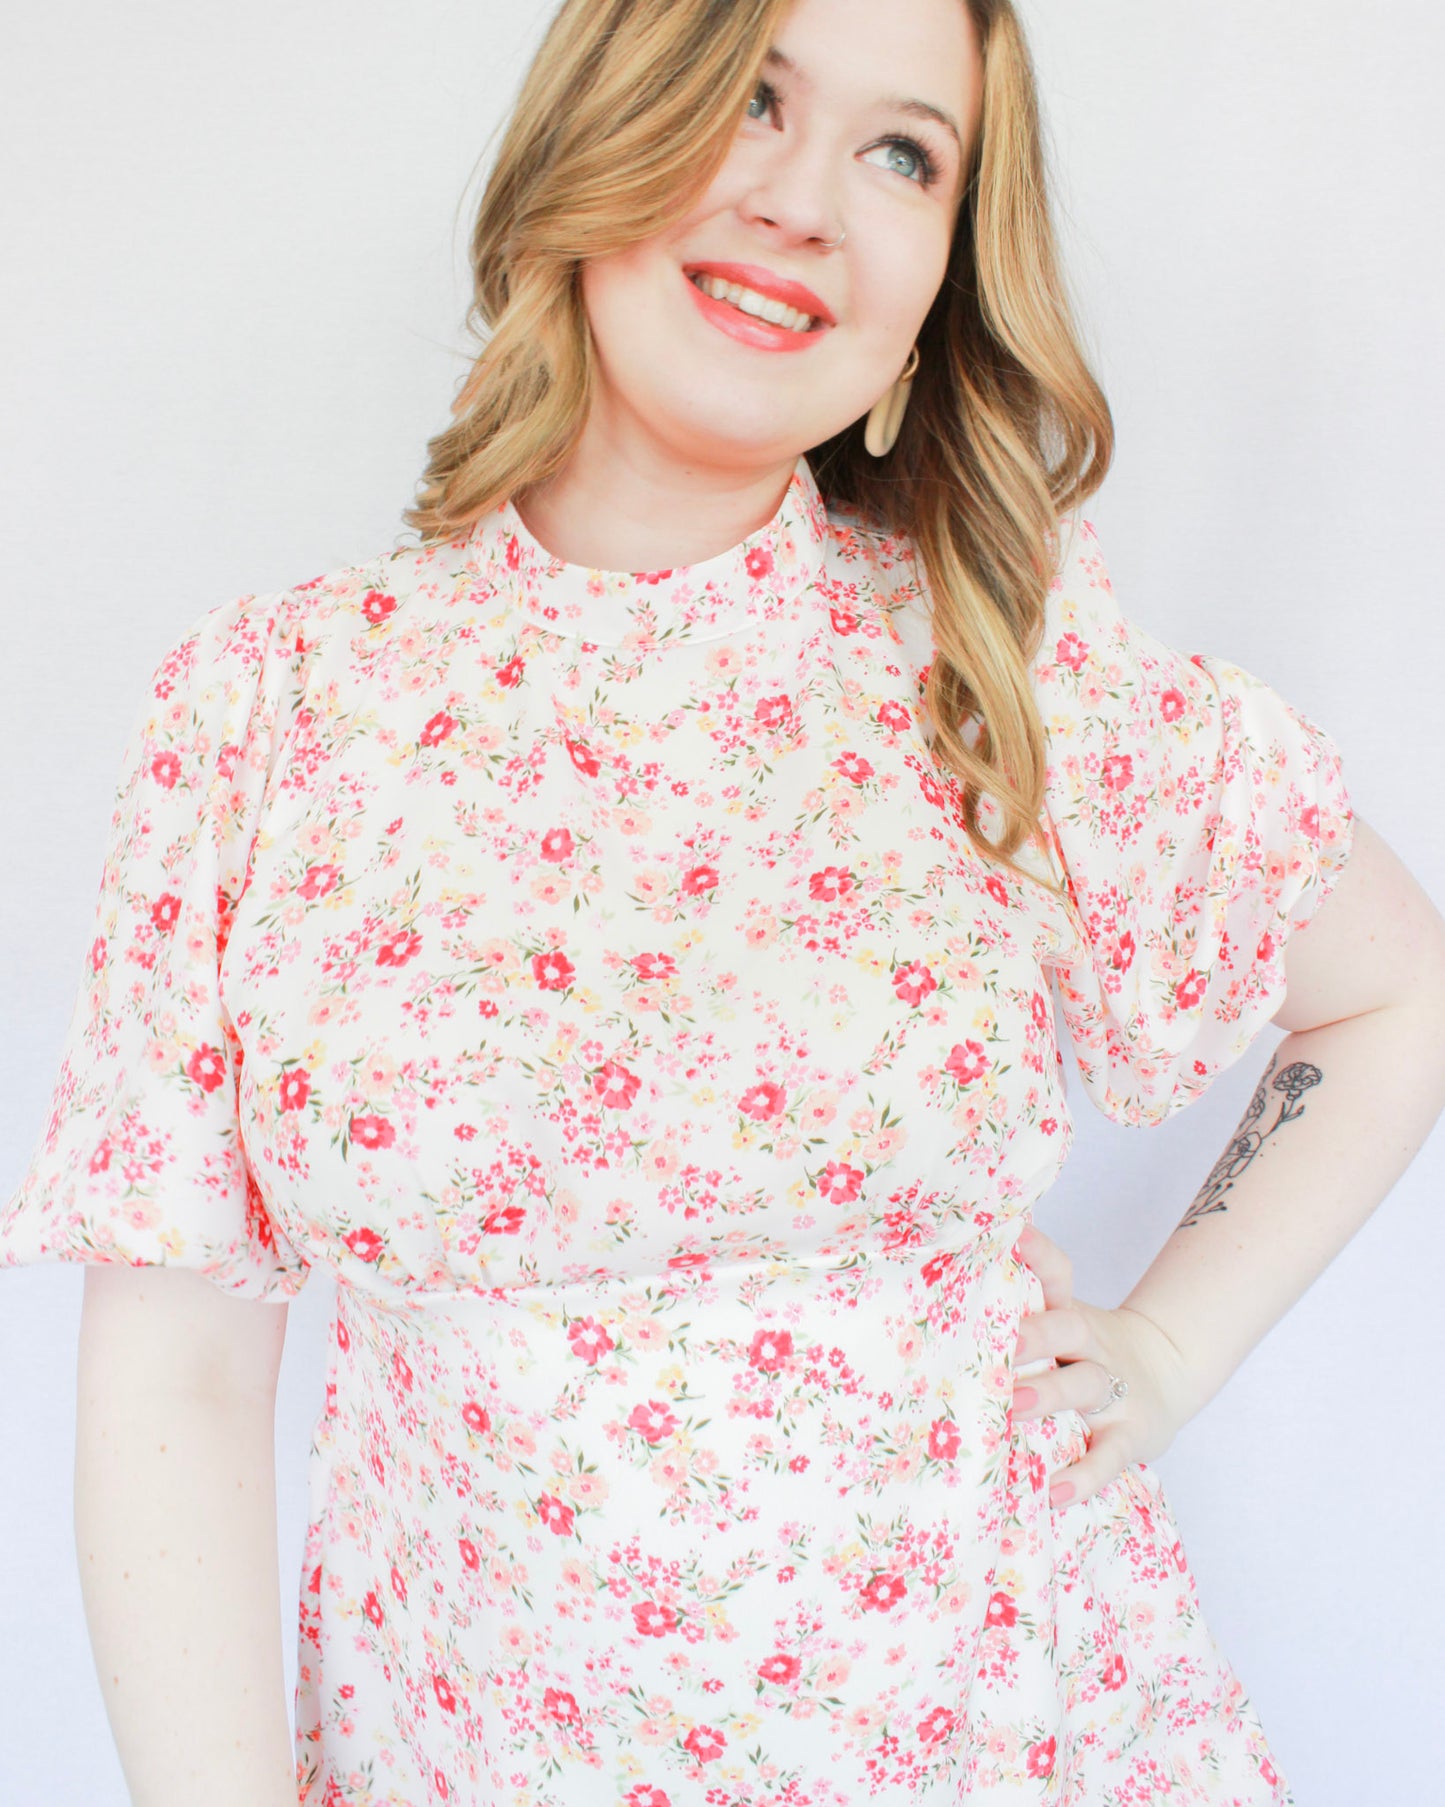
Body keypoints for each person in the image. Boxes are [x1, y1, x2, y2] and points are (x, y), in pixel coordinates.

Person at [3, 0, 1443, 1802]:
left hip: (1016, 1745)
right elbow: (177, 1394)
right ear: (602, 127)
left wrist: (1165, 1347)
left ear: (934, 293)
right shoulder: (271, 712)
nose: (805, 202)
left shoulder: (997, 672)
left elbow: (1392, 996)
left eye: (901, 153)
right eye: (751, 103)